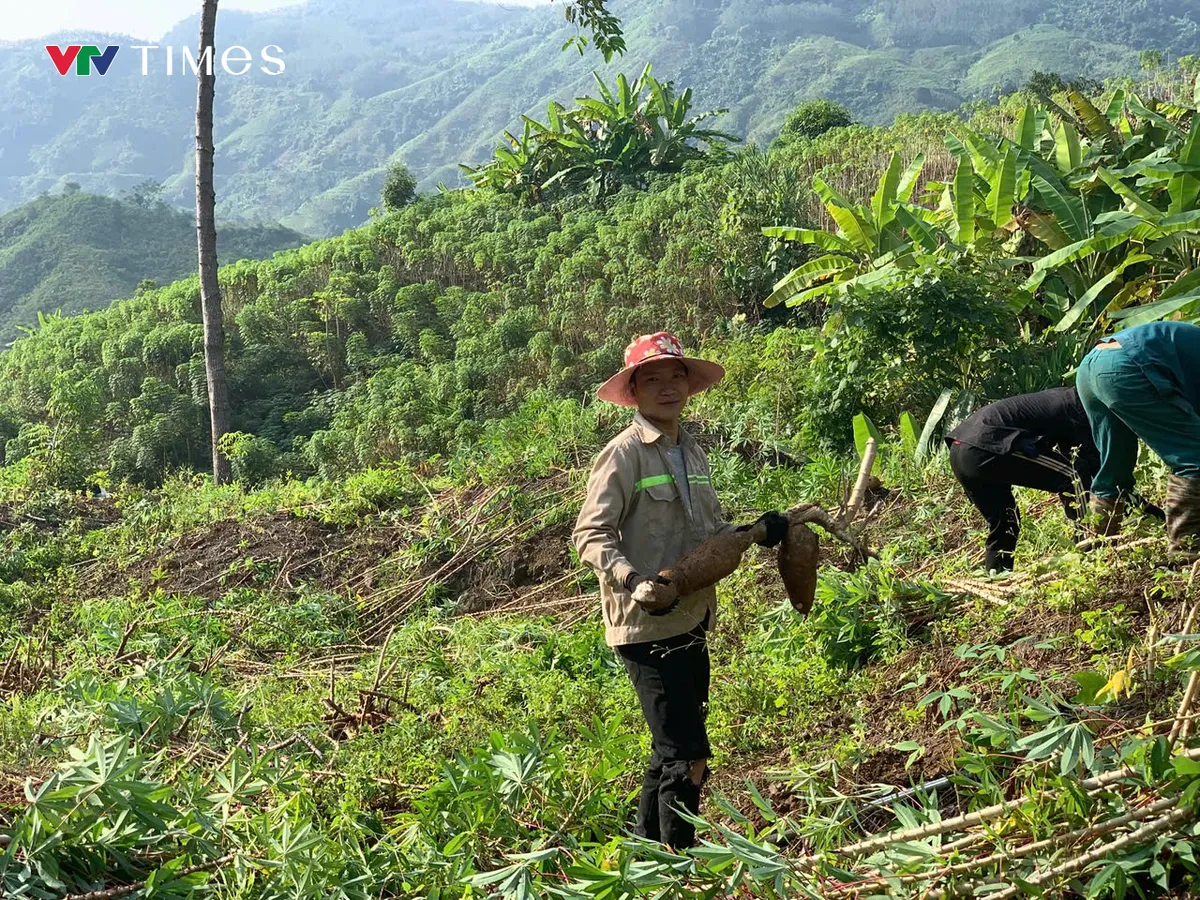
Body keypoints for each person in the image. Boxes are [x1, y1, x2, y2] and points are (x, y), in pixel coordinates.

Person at [572, 332, 787, 850]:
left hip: (692, 618)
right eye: (653, 379)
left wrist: (756, 531)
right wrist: (633, 580)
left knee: (670, 748)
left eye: (676, 377)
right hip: (646, 627)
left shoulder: (691, 451)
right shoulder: (623, 455)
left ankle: (646, 853)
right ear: (633, 392)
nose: (668, 388)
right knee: (688, 755)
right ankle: (678, 864)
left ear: (689, 385)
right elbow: (590, 535)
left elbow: (707, 534)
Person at [1076, 320, 1200, 556]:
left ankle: (1099, 552)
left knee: (1114, 468)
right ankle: (1186, 554)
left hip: (1091, 367)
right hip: (1127, 365)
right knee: (1194, 457)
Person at [945, 387, 1101, 572]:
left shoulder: (1064, 400)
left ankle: (997, 576)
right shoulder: (1079, 408)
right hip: (985, 444)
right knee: (1074, 474)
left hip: (959, 449)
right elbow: (1097, 467)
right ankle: (1087, 550)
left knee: (1006, 520)